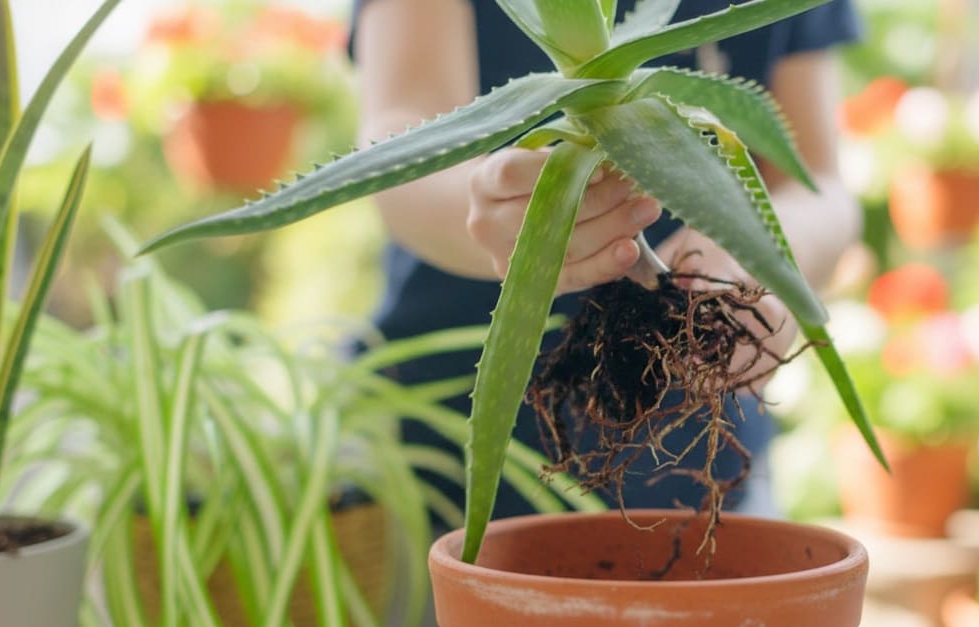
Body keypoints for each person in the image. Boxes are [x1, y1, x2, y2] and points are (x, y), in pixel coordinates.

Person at [351, 0, 862, 522]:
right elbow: (402, 131)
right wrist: (486, 211)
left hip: (704, 459)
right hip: (438, 445)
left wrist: (758, 261)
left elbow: (816, 181)